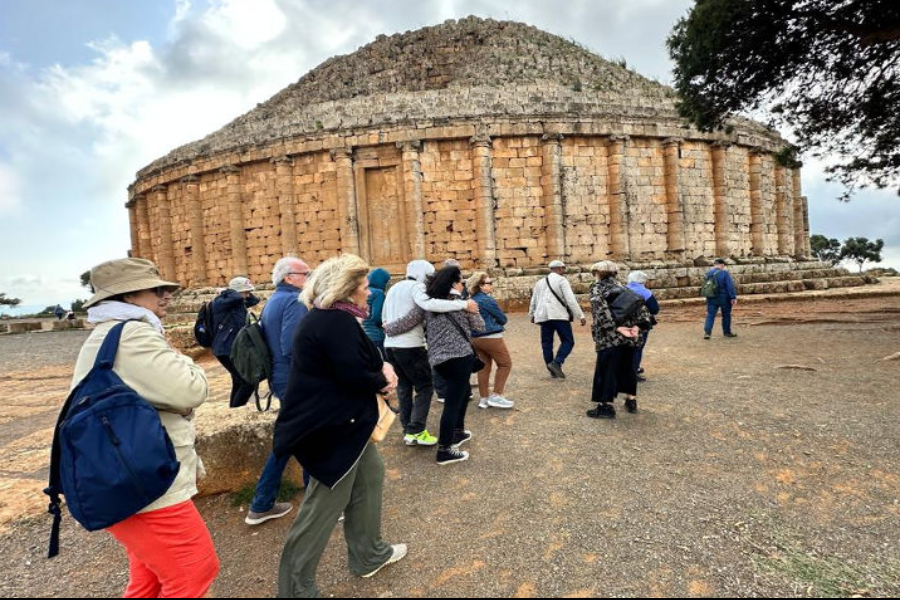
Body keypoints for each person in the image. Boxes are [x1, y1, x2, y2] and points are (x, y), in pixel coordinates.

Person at [75, 258, 218, 597]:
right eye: (155, 290)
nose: (165, 296)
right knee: (194, 571)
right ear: (127, 296)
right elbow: (191, 390)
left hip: (124, 476)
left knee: (150, 578)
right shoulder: (134, 333)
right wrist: (181, 358)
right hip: (146, 481)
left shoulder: (109, 332)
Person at [273, 254, 405, 598]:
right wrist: (383, 378)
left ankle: (369, 555)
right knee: (322, 508)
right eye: (363, 286)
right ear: (346, 289)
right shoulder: (334, 322)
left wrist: (379, 371)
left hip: (346, 425)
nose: (369, 292)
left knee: (371, 476)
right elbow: (355, 373)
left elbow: (352, 365)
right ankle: (295, 589)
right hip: (331, 430)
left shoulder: (333, 319)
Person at [385, 266, 485, 465]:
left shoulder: (428, 304)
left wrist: (389, 328)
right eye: (462, 281)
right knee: (453, 402)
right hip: (459, 358)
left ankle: (458, 432)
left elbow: (407, 322)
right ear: (455, 283)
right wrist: (471, 309)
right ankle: (445, 449)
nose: (463, 284)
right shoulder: (463, 303)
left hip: (439, 360)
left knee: (462, 393)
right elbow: (480, 327)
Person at [245, 257, 311, 526]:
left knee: (293, 438)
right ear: (288, 277)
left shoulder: (273, 300)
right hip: (295, 379)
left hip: (281, 378)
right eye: (304, 273)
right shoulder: (294, 300)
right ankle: (318, 502)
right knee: (309, 438)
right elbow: (293, 346)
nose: (309, 275)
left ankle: (262, 503)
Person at [587, 261, 652, 419]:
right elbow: (641, 309)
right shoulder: (625, 288)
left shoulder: (598, 288)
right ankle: (631, 400)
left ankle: (606, 407)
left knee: (606, 370)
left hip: (610, 337)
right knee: (627, 368)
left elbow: (601, 312)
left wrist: (615, 328)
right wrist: (637, 327)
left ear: (597, 273)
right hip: (630, 336)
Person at [528, 260, 586, 378]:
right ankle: (557, 362)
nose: (564, 271)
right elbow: (570, 299)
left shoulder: (540, 282)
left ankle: (552, 370)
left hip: (543, 315)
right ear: (560, 268)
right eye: (563, 269)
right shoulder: (561, 280)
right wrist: (580, 315)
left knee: (547, 343)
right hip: (558, 315)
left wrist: (532, 314)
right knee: (568, 341)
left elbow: (534, 299)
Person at [210, 276, 261, 408]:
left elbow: (255, 300)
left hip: (233, 348)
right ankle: (237, 408)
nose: (248, 295)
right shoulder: (221, 302)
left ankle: (233, 409)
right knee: (248, 382)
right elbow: (237, 297)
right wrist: (226, 291)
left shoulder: (237, 302)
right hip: (225, 349)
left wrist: (245, 291)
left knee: (238, 381)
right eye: (245, 292)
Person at [467, 272, 514, 409]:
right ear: (481, 286)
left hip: (475, 338)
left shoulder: (471, 299)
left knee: (484, 367)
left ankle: (484, 399)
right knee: (505, 364)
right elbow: (503, 319)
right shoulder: (487, 300)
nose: (491, 285)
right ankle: (496, 396)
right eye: (489, 283)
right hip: (491, 336)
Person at [626, 271, 660, 381]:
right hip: (641, 324)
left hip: (623, 323)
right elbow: (655, 309)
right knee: (637, 348)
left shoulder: (622, 290)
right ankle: (633, 371)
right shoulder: (645, 292)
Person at [704, 258, 738, 339]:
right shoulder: (724, 273)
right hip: (724, 298)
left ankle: (707, 333)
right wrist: (733, 297)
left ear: (715, 264)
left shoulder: (708, 273)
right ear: (722, 265)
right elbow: (730, 286)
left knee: (710, 315)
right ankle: (726, 332)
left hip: (711, 297)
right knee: (726, 315)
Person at [361, 268, 391, 354]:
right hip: (376, 336)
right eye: (386, 282)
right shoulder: (378, 293)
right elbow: (376, 318)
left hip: (364, 335)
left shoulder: (364, 291)